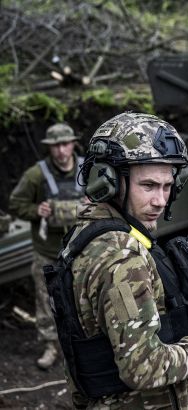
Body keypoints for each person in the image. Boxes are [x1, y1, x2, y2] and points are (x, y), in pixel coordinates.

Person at [43, 112, 188, 408]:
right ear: (107, 182)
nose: (161, 200)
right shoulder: (122, 256)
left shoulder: (89, 232)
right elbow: (145, 368)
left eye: (167, 186)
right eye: (149, 186)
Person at [8, 123, 86, 370]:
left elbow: (110, 198)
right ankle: (51, 346)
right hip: (47, 253)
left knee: (85, 298)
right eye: (56, 146)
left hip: (83, 250)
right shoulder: (36, 175)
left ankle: (86, 345)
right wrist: (35, 210)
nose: (61, 151)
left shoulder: (88, 169)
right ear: (49, 148)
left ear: (73, 143)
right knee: (46, 301)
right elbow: (16, 203)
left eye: (65, 144)